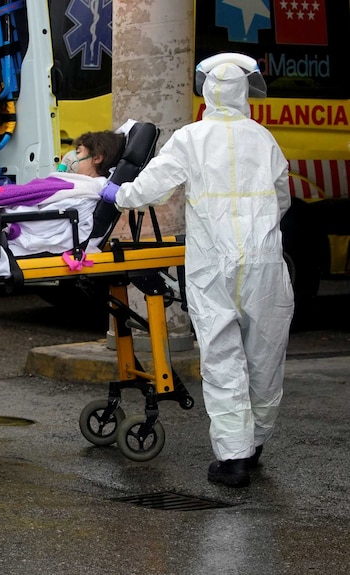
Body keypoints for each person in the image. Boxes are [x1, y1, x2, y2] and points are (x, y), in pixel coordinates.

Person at [99, 53, 294, 487]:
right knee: (265, 359)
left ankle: (235, 457)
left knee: (223, 358)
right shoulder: (264, 139)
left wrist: (116, 194)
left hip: (213, 266)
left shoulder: (191, 138)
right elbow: (281, 199)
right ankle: (255, 443)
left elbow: (153, 186)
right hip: (263, 265)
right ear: (246, 92)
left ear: (206, 91)